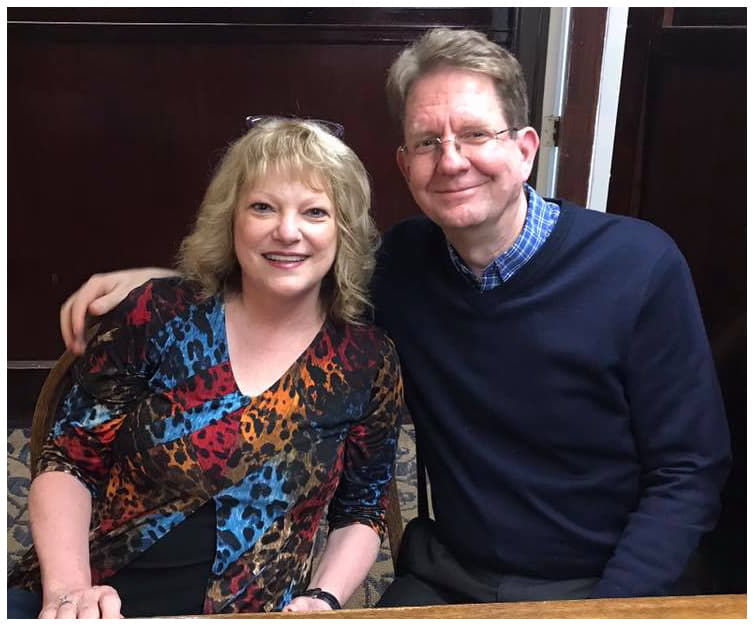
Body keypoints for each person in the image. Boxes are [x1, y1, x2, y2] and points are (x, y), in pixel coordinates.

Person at [54, 28, 731, 607]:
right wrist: (168, 282)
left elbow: (690, 469)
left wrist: (614, 609)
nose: (452, 160)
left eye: (475, 134)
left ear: (526, 147)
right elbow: (291, 271)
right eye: (428, 142)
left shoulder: (639, 265)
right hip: (449, 576)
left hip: (599, 580)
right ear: (405, 165)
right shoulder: (402, 266)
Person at [8, 117, 405, 617]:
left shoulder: (365, 361)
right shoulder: (159, 314)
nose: (287, 231)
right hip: (93, 594)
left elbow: (362, 509)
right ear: (231, 219)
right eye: (263, 207)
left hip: (252, 613)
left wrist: (323, 597)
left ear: (342, 231)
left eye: (315, 212)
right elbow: (69, 461)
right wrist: (68, 592)